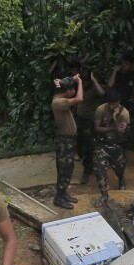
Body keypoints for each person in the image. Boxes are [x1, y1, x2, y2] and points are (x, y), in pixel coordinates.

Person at [93, 88, 130, 205]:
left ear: (119, 101)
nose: (112, 106)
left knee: (119, 169)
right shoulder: (101, 109)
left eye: (114, 103)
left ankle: (121, 179)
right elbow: (97, 128)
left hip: (116, 146)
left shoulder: (124, 113)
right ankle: (104, 195)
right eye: (110, 103)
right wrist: (112, 128)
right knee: (100, 170)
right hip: (102, 145)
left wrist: (114, 119)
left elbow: (120, 133)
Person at [51, 74, 83, 209]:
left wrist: (67, 79)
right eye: (72, 89)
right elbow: (80, 98)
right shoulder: (59, 102)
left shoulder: (60, 96)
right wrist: (79, 81)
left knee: (68, 168)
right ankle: (58, 198)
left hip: (67, 140)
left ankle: (63, 193)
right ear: (67, 91)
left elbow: (60, 84)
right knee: (65, 169)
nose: (74, 91)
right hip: (64, 141)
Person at [75, 69, 105, 184]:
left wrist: (94, 80)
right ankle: (88, 165)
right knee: (79, 145)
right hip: (79, 121)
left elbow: (103, 93)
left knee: (88, 147)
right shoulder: (80, 86)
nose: (83, 84)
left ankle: (87, 171)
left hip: (89, 122)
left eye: (85, 82)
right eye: (82, 82)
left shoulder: (93, 88)